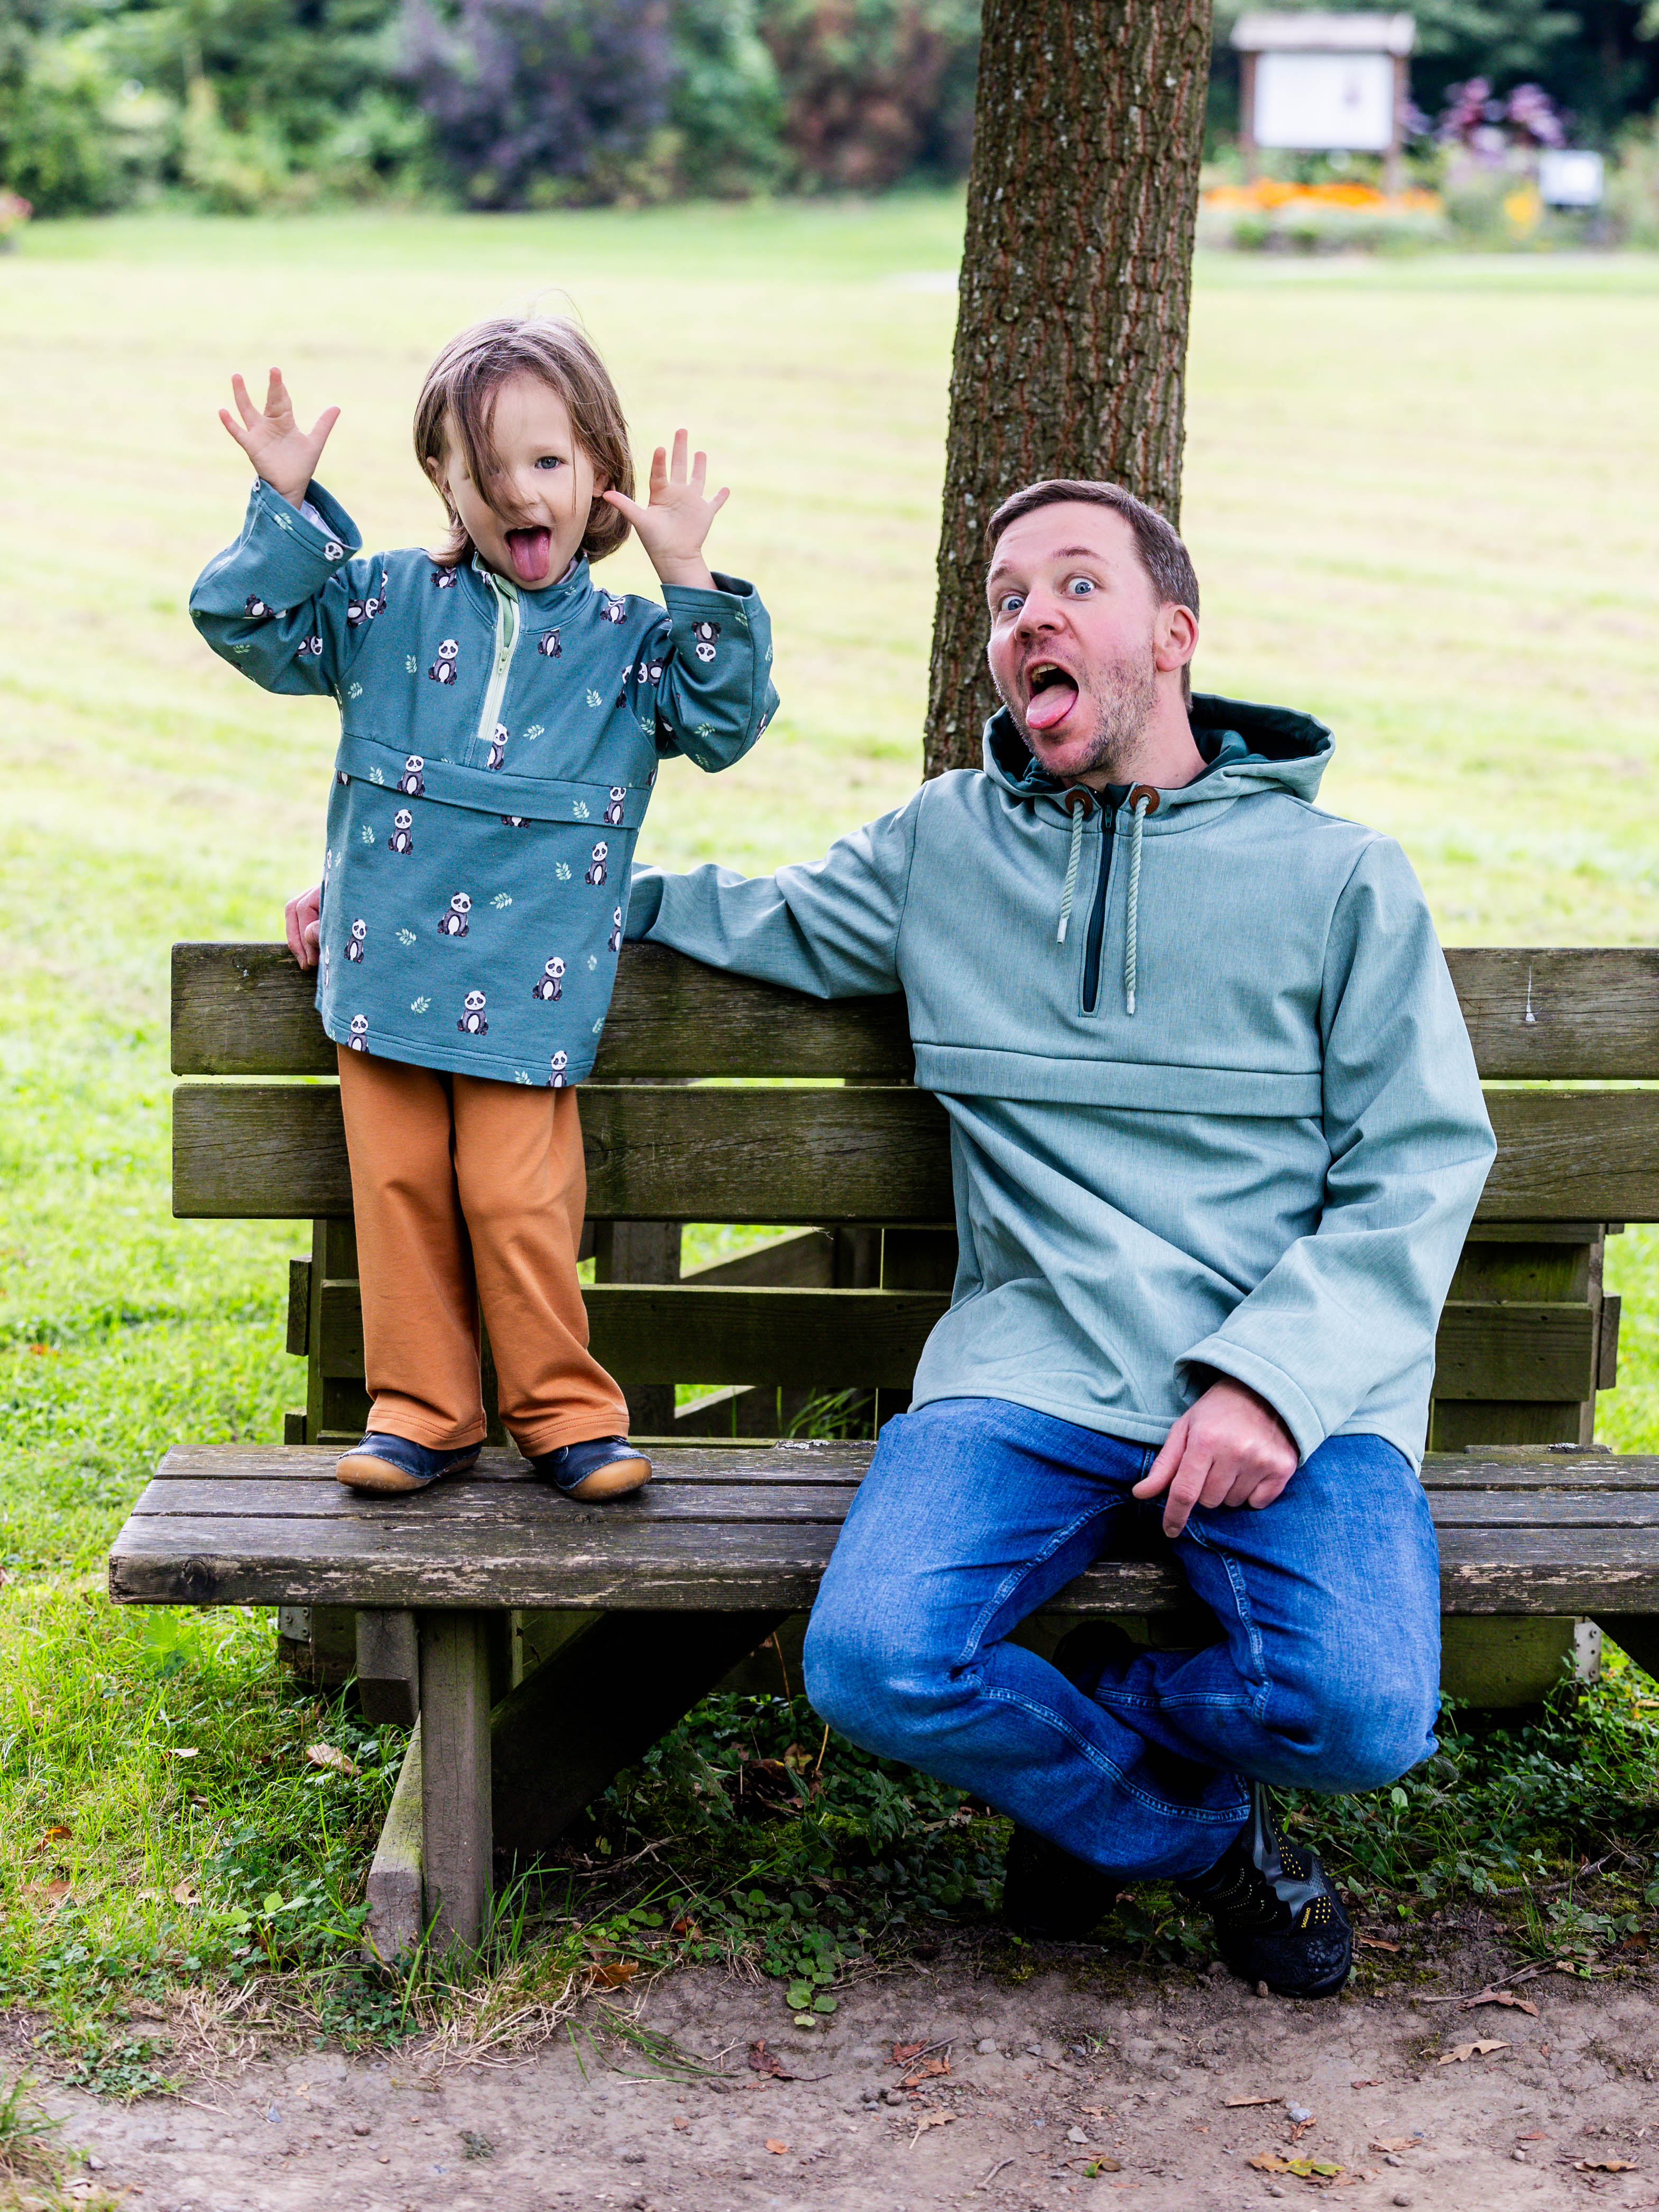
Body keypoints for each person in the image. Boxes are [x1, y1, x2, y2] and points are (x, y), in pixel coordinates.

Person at [617, 478, 1497, 1997]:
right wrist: (420, 905)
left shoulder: (1340, 878)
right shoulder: (939, 850)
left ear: (1172, 636)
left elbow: (1420, 1165)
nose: (1031, 614)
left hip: (1300, 1388)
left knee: (1361, 1717)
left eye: (1076, 585)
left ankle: (1096, 1757)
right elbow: (712, 912)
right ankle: (1197, 1835)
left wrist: (1271, 1384)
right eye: (1009, 596)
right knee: (877, 1663)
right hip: (1031, 1366)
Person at [192, 315, 778, 1501]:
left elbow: (724, 726)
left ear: (601, 475)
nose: (521, 492)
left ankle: (564, 1414)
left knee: (517, 1201)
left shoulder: (633, 646)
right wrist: (288, 507)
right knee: (400, 1193)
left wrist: (688, 575)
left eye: (550, 463)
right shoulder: (384, 605)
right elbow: (243, 624)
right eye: (486, 467)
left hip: (527, 996)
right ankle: (422, 1410)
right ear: (440, 479)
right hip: (384, 982)